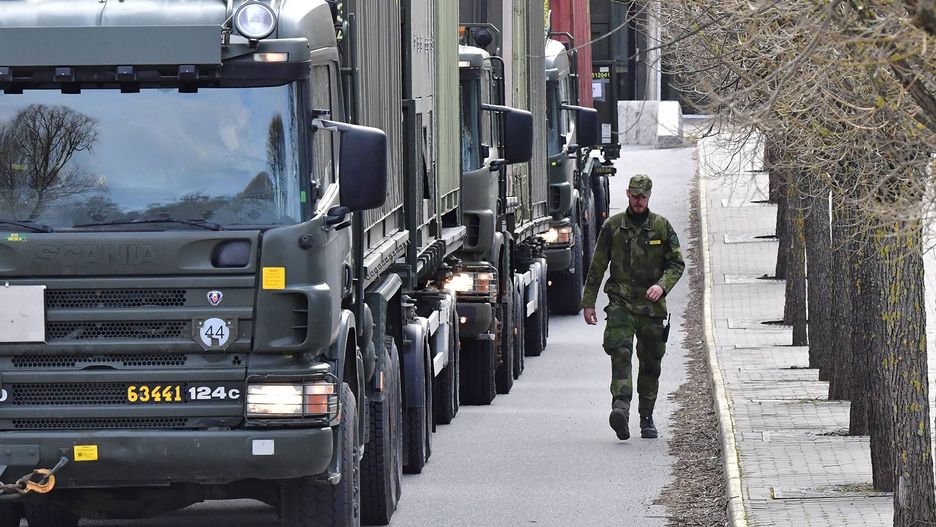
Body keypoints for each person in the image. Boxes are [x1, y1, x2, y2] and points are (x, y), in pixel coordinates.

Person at [582, 174, 684, 440]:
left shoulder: (661, 227)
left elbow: (676, 264)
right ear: (627, 194)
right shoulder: (613, 227)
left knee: (651, 363)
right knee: (621, 353)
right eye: (635, 195)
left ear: (649, 196)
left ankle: (646, 417)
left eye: (643, 197)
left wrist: (662, 285)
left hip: (651, 308)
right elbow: (597, 266)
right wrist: (589, 302)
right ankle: (621, 411)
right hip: (621, 303)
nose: (639, 201)